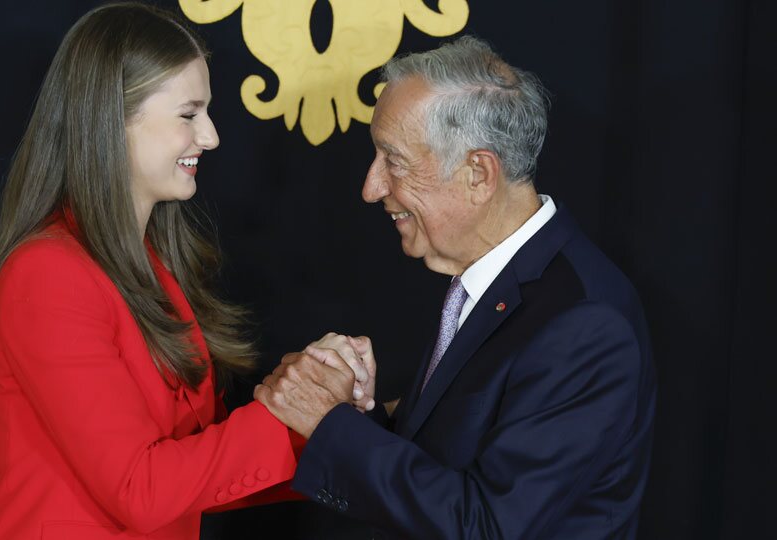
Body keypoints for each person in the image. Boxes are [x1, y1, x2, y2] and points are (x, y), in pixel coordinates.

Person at [0, 3, 369, 539]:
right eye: (189, 114)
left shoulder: (151, 268)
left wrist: (327, 419)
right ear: (112, 118)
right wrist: (293, 407)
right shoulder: (47, 274)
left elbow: (199, 471)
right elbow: (143, 489)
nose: (211, 136)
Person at [256, 36, 657, 539]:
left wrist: (330, 424)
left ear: (477, 173)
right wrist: (362, 416)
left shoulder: (586, 324)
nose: (371, 187)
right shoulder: (488, 278)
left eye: (393, 160)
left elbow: (487, 526)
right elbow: (448, 463)